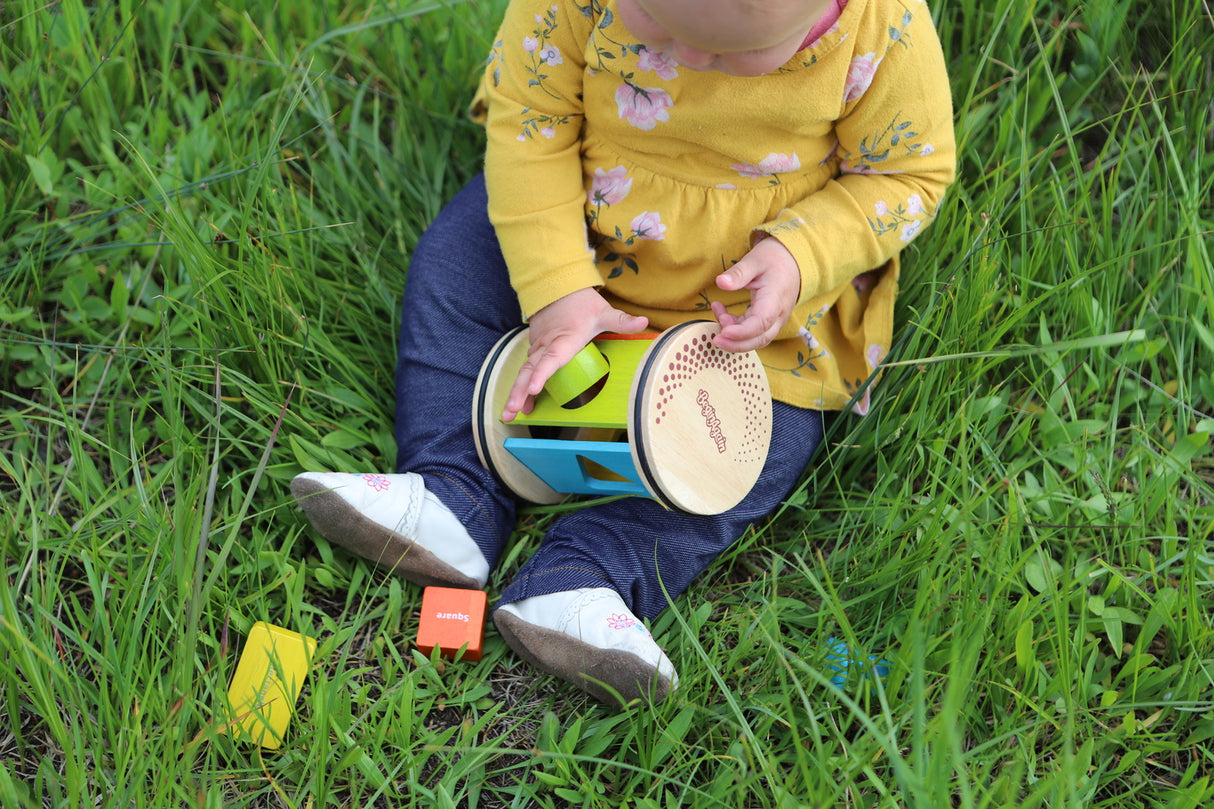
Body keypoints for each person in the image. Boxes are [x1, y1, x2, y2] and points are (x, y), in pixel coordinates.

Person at [291, 0, 955, 705]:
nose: (687, 60)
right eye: (656, 26)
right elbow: (530, 121)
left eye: (736, 56)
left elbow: (908, 176)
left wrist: (802, 256)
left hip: (750, 297)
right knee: (458, 268)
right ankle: (453, 489)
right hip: (583, 214)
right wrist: (553, 288)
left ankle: (588, 574)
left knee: (759, 441)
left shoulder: (883, 30)